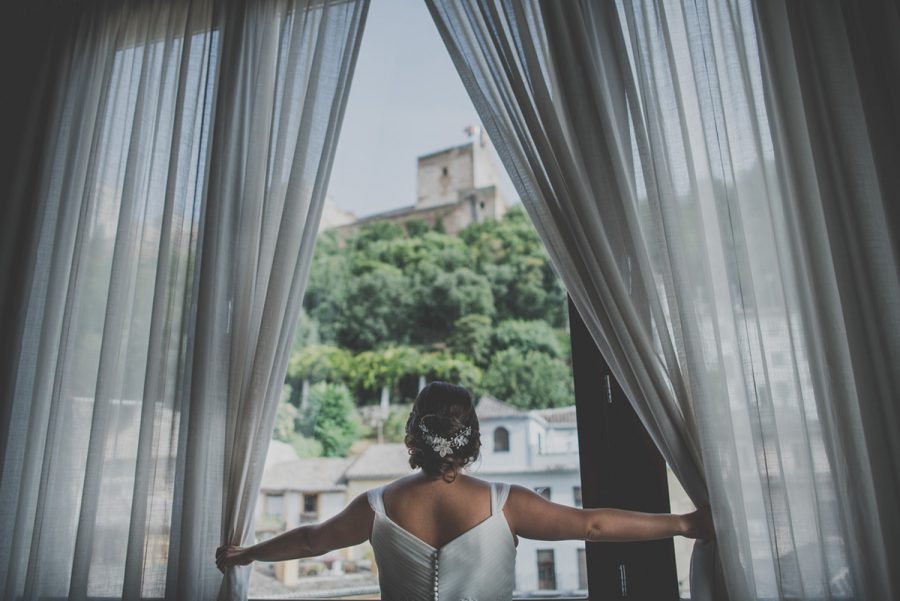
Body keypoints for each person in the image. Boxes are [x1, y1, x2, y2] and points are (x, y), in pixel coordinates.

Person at [216, 381, 714, 599]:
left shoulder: (377, 506)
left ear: (413, 434)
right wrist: (686, 524)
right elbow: (594, 525)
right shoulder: (508, 503)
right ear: (471, 436)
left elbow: (308, 541)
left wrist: (245, 555)